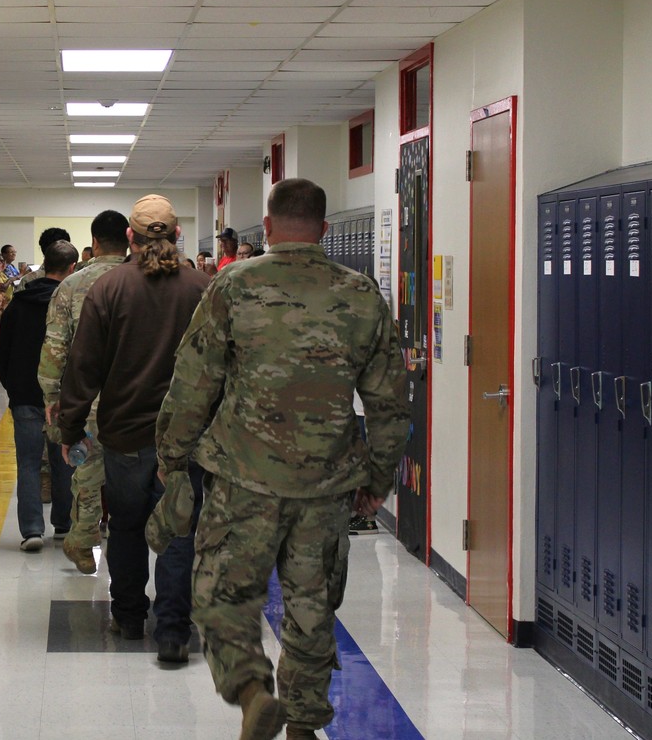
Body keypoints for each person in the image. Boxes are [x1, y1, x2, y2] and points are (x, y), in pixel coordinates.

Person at [155, 178, 410, 740]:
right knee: (312, 609)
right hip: (325, 485)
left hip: (243, 481)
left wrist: (172, 457)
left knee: (220, 595)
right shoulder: (361, 294)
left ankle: (251, 693)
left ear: (267, 228)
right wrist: (377, 477)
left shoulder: (233, 287)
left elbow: (193, 381)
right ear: (323, 229)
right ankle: (302, 728)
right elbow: (391, 400)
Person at [56, 195, 210, 663]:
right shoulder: (202, 288)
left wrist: (71, 429)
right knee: (179, 532)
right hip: (185, 441)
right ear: (177, 233)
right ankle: (172, 632)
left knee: (125, 525)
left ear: (131, 236)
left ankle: (127, 616)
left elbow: (83, 366)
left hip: (123, 435)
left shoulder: (110, 288)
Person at [39, 210, 129, 575]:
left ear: (93, 242)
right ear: (129, 238)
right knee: (132, 473)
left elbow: (55, 348)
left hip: (87, 398)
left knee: (87, 472)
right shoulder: (141, 280)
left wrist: (51, 397)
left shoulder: (72, 285)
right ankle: (126, 541)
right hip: (134, 399)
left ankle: (83, 537)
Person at [0, 240, 79, 551]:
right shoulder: (70, 305)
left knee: (29, 463)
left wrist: (14, 388)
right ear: (72, 268)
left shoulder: (17, 305)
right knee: (65, 460)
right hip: (63, 396)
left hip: (25, 395)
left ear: (44, 264)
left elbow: (2, 354)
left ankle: (32, 530)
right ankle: (63, 524)